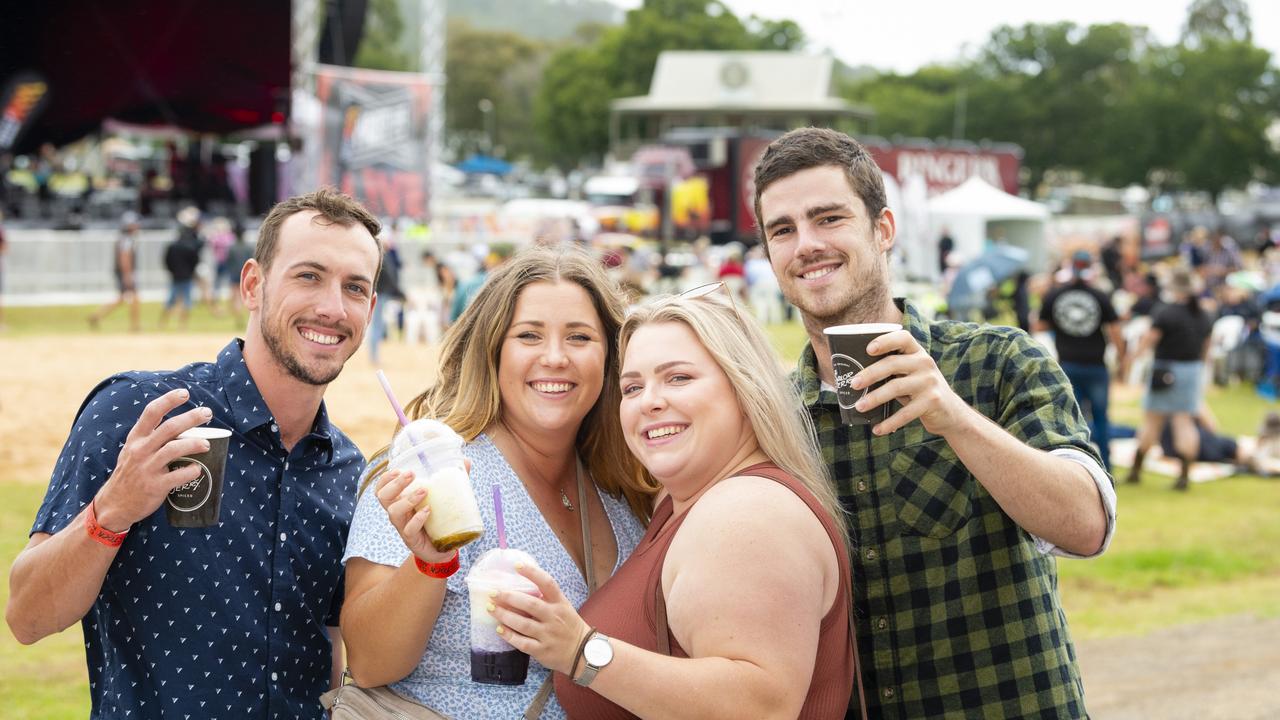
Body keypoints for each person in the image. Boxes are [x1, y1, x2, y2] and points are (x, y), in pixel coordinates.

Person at [751, 127, 1116, 718]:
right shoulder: (773, 422)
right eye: (783, 230)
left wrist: (953, 417)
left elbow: (1087, 526)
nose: (807, 245)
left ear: (884, 229)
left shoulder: (998, 359)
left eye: (829, 219)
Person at [6, 187, 383, 719]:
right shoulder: (141, 412)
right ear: (253, 284)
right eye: (308, 276)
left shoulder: (349, 473)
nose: (330, 306)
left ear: (370, 309)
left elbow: (331, 650)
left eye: (354, 287)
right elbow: (27, 616)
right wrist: (113, 508)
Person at [491, 287, 855, 719]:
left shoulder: (748, 514)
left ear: (744, 387)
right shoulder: (685, 501)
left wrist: (580, 651)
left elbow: (761, 706)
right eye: (632, 387)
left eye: (678, 378)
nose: (650, 401)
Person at [341, 244, 653, 719]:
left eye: (579, 337)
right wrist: (431, 562)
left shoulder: (626, 486)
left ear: (611, 356)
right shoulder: (430, 470)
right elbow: (368, 663)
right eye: (528, 335)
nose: (555, 357)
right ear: (493, 350)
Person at [1124, 268, 1215, 490]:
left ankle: (1136, 470)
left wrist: (1130, 359)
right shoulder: (1204, 314)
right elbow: (1206, 347)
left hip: (1164, 371)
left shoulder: (1166, 312)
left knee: (1152, 422)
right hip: (1191, 370)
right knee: (1184, 422)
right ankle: (1184, 475)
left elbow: (1149, 340)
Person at [1036, 250, 1126, 471]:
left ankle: (1077, 467)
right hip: (1096, 365)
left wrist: (1060, 324)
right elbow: (1115, 331)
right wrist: (1123, 359)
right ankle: (1106, 465)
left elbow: (1039, 325)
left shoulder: (1055, 294)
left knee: (1072, 420)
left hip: (1068, 365)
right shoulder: (1100, 295)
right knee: (1101, 418)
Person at [88, 211, 143, 332]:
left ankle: (96, 316)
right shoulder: (127, 240)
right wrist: (127, 275)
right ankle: (135, 326)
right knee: (134, 298)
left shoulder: (124, 239)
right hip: (125, 272)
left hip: (123, 272)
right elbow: (125, 258)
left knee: (122, 298)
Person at [158, 205, 202, 330]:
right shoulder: (191, 247)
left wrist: (172, 271)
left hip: (175, 276)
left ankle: (162, 323)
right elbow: (195, 261)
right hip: (187, 276)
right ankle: (182, 325)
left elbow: (166, 261)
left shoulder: (172, 246)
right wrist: (191, 271)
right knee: (187, 301)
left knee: (170, 300)